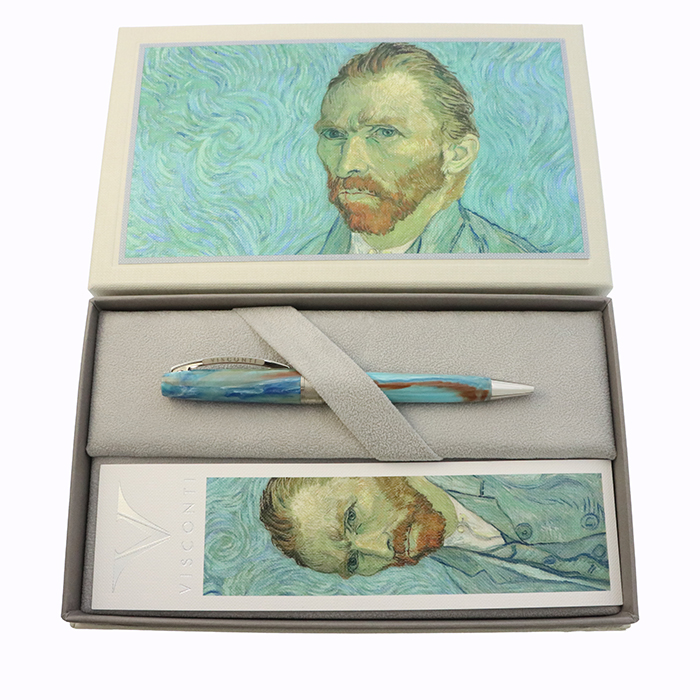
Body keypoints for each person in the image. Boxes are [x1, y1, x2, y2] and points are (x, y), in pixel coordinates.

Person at [299, 42, 540, 255]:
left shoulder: (510, 263)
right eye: (333, 134)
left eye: (385, 132)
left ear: (458, 154)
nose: (346, 165)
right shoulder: (303, 263)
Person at [259, 474, 611, 593]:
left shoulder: (521, 473)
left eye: (352, 517)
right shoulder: (475, 588)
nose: (381, 551)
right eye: (353, 561)